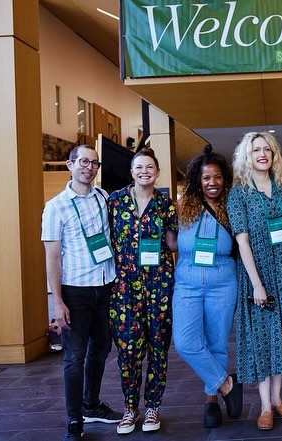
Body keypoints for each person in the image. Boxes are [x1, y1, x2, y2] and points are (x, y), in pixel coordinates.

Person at [226, 131, 282, 431]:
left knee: (281, 336)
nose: (262, 154)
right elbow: (242, 242)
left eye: (267, 149)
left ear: (274, 155)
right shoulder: (238, 194)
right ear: (246, 157)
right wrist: (257, 285)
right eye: (256, 150)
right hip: (258, 274)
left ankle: (278, 399)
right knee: (263, 341)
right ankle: (264, 405)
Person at [42, 144, 122, 441]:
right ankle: (75, 419)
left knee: (101, 349)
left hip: (106, 285)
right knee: (74, 357)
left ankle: (91, 405)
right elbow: (52, 256)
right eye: (83, 162)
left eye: (94, 163)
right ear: (70, 164)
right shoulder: (56, 206)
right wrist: (57, 301)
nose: (89, 167)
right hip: (75, 291)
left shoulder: (104, 198)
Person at [107, 147, 178, 434]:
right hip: (124, 288)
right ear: (132, 171)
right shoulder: (115, 201)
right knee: (128, 351)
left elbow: (173, 244)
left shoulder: (166, 204)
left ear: (157, 172)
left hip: (160, 285)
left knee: (158, 349)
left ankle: (152, 408)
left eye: (150, 167)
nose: (144, 171)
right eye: (139, 167)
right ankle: (129, 408)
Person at [173, 145, 243, 428]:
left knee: (217, 343)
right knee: (186, 342)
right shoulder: (182, 207)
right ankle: (227, 384)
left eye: (216, 177)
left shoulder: (233, 206)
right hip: (188, 281)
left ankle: (211, 402)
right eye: (206, 178)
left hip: (223, 280)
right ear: (197, 180)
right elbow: (170, 241)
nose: (211, 183)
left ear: (224, 178)